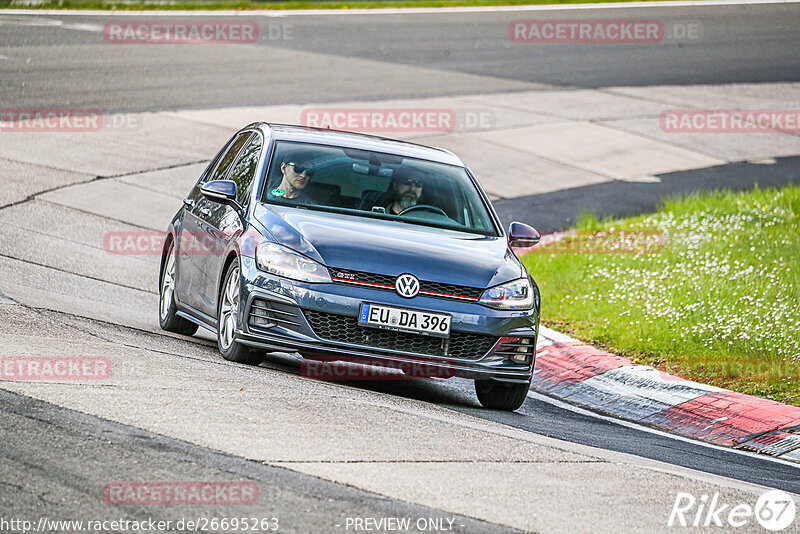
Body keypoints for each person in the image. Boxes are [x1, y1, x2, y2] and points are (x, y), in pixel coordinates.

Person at [359, 170, 425, 215]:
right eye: (408, 182)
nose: (412, 188)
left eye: (418, 184)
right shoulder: (376, 215)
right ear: (395, 186)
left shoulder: (427, 221)